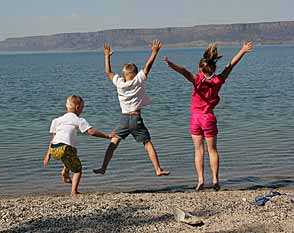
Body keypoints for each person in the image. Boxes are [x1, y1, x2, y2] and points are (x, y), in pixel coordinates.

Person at [164, 41, 253, 191]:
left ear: (200, 69)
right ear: (213, 68)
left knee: (198, 150)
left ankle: (200, 179)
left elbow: (184, 71)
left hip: (195, 120)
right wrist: (243, 50)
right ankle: (215, 179)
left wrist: (170, 64)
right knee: (212, 150)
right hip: (208, 118)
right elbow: (230, 66)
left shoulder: (197, 80)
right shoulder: (218, 80)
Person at [93, 39, 169, 176]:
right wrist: (154, 52)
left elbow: (108, 72)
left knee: (113, 143)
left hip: (123, 119)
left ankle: (103, 167)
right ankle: (158, 169)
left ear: (124, 75)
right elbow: (148, 67)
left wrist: (106, 56)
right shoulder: (138, 81)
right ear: (135, 74)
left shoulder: (120, 84)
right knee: (147, 143)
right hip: (135, 118)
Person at [44, 95, 115, 196]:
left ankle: (65, 171)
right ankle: (74, 192)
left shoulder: (56, 120)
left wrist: (48, 155)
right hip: (66, 148)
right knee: (78, 170)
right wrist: (107, 136)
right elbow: (91, 132)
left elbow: (53, 139)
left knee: (73, 152)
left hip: (54, 149)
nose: (82, 110)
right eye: (82, 107)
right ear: (78, 108)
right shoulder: (79, 120)